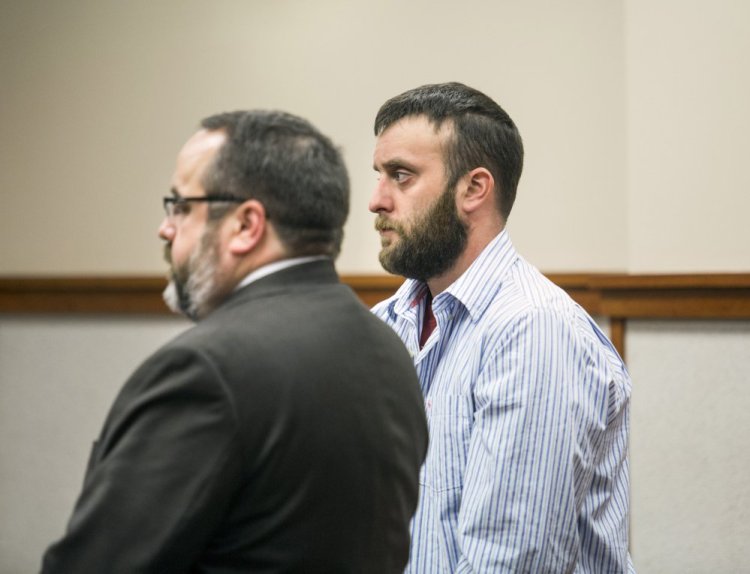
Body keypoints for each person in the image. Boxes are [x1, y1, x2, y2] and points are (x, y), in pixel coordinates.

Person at [41, 110, 428, 573]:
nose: (166, 229)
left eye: (181, 206)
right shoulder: (389, 351)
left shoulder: (205, 370)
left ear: (247, 225)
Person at [370, 82, 634, 573]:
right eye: (380, 175)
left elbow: (510, 563)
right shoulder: (386, 324)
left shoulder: (534, 332)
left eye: (401, 176)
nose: (376, 201)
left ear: (474, 189)